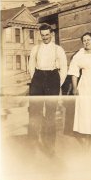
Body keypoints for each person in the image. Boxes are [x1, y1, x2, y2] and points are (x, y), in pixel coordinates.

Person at [28, 23, 67, 157]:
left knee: (50, 114)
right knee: (34, 112)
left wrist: (57, 83)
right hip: (38, 78)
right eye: (43, 35)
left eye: (47, 35)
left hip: (52, 78)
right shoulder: (35, 49)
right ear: (40, 34)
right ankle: (32, 144)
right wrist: (35, 80)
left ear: (51, 34)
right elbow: (31, 65)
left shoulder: (58, 49)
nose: (45, 37)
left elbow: (64, 68)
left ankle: (50, 146)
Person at [68, 32, 91, 142]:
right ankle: (86, 132)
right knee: (85, 108)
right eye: (84, 41)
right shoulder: (80, 54)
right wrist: (74, 88)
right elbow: (74, 72)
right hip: (85, 84)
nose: (86, 42)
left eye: (88, 40)